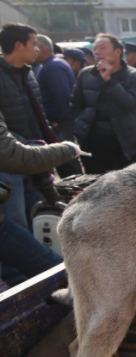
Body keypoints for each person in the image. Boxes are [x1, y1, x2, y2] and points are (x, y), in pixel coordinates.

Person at [0, 110, 80, 287]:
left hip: (30, 167)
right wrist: (67, 149)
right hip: (21, 167)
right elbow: (14, 156)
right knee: (54, 269)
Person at [0, 23, 58, 229]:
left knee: (37, 218)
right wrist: (22, 146)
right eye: (33, 44)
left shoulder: (29, 74)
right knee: (15, 223)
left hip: (33, 160)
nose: (37, 49)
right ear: (18, 45)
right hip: (8, 166)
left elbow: (37, 117)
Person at [71, 34, 136, 174]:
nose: (97, 52)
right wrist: (80, 127)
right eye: (94, 49)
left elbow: (131, 104)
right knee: (98, 186)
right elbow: (76, 104)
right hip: (93, 142)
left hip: (125, 141)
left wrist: (109, 81)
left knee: (128, 186)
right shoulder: (86, 74)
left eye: (102, 48)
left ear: (118, 52)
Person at [36, 35, 81, 177]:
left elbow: (62, 95)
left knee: (66, 160)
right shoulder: (54, 64)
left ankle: (77, 193)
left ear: (42, 48)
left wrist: (55, 119)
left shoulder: (53, 66)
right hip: (62, 120)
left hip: (61, 122)